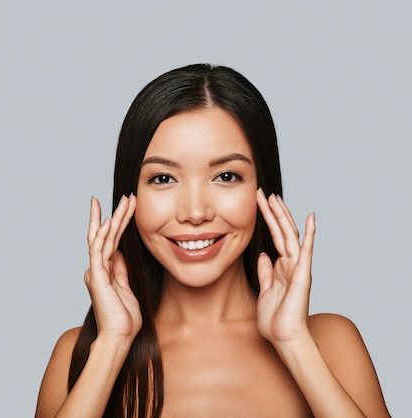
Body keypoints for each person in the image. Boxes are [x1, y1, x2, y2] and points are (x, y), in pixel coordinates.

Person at [35, 64, 390, 418]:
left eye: (226, 176)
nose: (194, 211)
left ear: (262, 188)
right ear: (131, 195)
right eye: (162, 178)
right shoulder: (78, 355)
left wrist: (294, 343)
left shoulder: (330, 344)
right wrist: (112, 345)